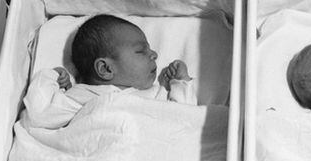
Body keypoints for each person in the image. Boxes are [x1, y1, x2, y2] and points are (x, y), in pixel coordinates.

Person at [23, 15, 197, 129]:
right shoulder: (81, 95)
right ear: (106, 68)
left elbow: (183, 119)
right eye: (141, 51)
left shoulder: (154, 95)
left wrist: (181, 82)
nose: (154, 55)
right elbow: (39, 115)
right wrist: (52, 78)